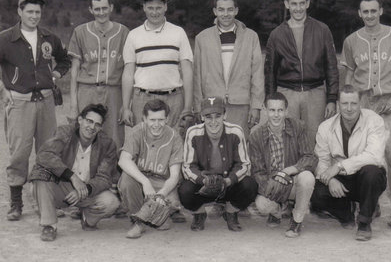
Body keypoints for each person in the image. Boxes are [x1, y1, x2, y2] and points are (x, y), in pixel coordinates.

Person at [0, 0, 70, 221]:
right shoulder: (6, 38)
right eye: (29, 11)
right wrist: (4, 89)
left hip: (47, 101)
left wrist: (57, 73)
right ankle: (16, 201)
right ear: (20, 12)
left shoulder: (49, 37)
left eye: (37, 12)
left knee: (48, 151)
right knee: (19, 152)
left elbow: (64, 59)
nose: (34, 16)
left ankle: (45, 198)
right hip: (20, 101)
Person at [341, 0, 391, 228]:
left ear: (381, 11)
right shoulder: (351, 40)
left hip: (390, 100)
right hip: (363, 100)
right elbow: (349, 75)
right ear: (359, 13)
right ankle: (369, 201)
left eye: (373, 11)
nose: (369, 15)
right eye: (365, 12)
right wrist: (349, 103)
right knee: (362, 154)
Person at [29, 104, 120, 241]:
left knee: (111, 202)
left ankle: (88, 218)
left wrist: (84, 190)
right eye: (89, 121)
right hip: (62, 186)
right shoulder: (65, 132)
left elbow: (104, 178)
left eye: (97, 124)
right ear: (80, 120)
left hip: (87, 190)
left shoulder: (107, 145)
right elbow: (45, 155)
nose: (91, 127)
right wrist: (72, 177)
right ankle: (50, 225)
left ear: (101, 128)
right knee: (40, 178)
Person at [311, 85, 387, 241]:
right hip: (342, 180)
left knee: (372, 172)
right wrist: (330, 180)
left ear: (361, 103)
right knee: (316, 193)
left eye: (354, 103)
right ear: (338, 104)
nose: (349, 108)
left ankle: (365, 222)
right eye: (345, 104)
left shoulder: (374, 121)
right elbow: (322, 161)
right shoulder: (325, 127)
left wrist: (339, 166)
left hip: (365, 178)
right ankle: (346, 213)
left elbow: (375, 156)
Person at [264, 0, 338, 146]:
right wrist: (270, 99)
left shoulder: (322, 30)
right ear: (286, 4)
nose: (298, 8)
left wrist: (332, 98)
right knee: (288, 138)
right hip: (287, 92)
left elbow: (331, 66)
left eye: (301, 3)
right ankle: (290, 171)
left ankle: (314, 171)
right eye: (294, 3)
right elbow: (270, 71)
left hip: (315, 92)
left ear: (308, 4)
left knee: (316, 139)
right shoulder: (277, 34)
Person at [179, 97, 258, 232]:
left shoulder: (236, 131)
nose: (213, 121)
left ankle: (230, 211)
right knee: (184, 190)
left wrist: (228, 181)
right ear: (202, 117)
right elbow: (187, 166)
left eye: (218, 116)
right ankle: (199, 213)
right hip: (204, 185)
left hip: (228, 184)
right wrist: (203, 180)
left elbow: (244, 164)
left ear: (225, 115)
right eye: (208, 117)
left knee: (250, 185)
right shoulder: (193, 133)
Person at [193, 0, 264, 138]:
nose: (225, 14)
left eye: (230, 9)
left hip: (240, 103)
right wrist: (197, 106)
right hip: (212, 103)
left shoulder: (251, 37)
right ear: (215, 11)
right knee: (212, 147)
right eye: (221, 10)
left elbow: (257, 74)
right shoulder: (202, 38)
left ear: (236, 11)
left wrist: (256, 105)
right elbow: (197, 75)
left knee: (239, 145)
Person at [121, 0, 193, 129]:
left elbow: (187, 71)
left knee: (174, 142)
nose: (155, 12)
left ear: (166, 7)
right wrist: (125, 107)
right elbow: (128, 73)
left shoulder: (178, 32)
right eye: (150, 8)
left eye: (159, 8)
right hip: (142, 98)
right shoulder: (133, 35)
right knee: (143, 143)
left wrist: (188, 106)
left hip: (173, 99)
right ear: (144, 8)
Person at [249, 92, 317, 238]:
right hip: (273, 184)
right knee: (262, 205)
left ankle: (296, 220)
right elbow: (258, 171)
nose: (276, 115)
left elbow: (310, 157)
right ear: (265, 110)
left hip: (292, 180)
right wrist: (270, 186)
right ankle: (278, 212)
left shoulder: (298, 127)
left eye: (280, 110)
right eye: (272, 110)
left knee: (307, 178)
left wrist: (290, 170)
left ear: (286, 111)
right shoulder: (256, 135)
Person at [68, 0, 129, 151]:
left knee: (114, 137)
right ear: (90, 10)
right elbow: (74, 71)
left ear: (111, 7)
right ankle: (84, 174)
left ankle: (113, 174)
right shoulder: (80, 32)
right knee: (85, 134)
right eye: (97, 9)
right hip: (87, 90)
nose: (101, 12)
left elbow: (129, 69)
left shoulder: (123, 32)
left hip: (113, 91)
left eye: (104, 8)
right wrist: (74, 105)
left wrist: (126, 103)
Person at [118, 99, 184, 239]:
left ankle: (156, 214)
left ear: (167, 118)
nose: (156, 124)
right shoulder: (137, 131)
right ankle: (138, 222)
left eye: (161, 120)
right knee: (126, 179)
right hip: (141, 180)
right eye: (152, 120)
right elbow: (123, 160)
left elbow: (174, 176)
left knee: (172, 204)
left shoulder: (174, 137)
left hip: (162, 182)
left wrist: (162, 194)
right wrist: (145, 182)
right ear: (144, 118)